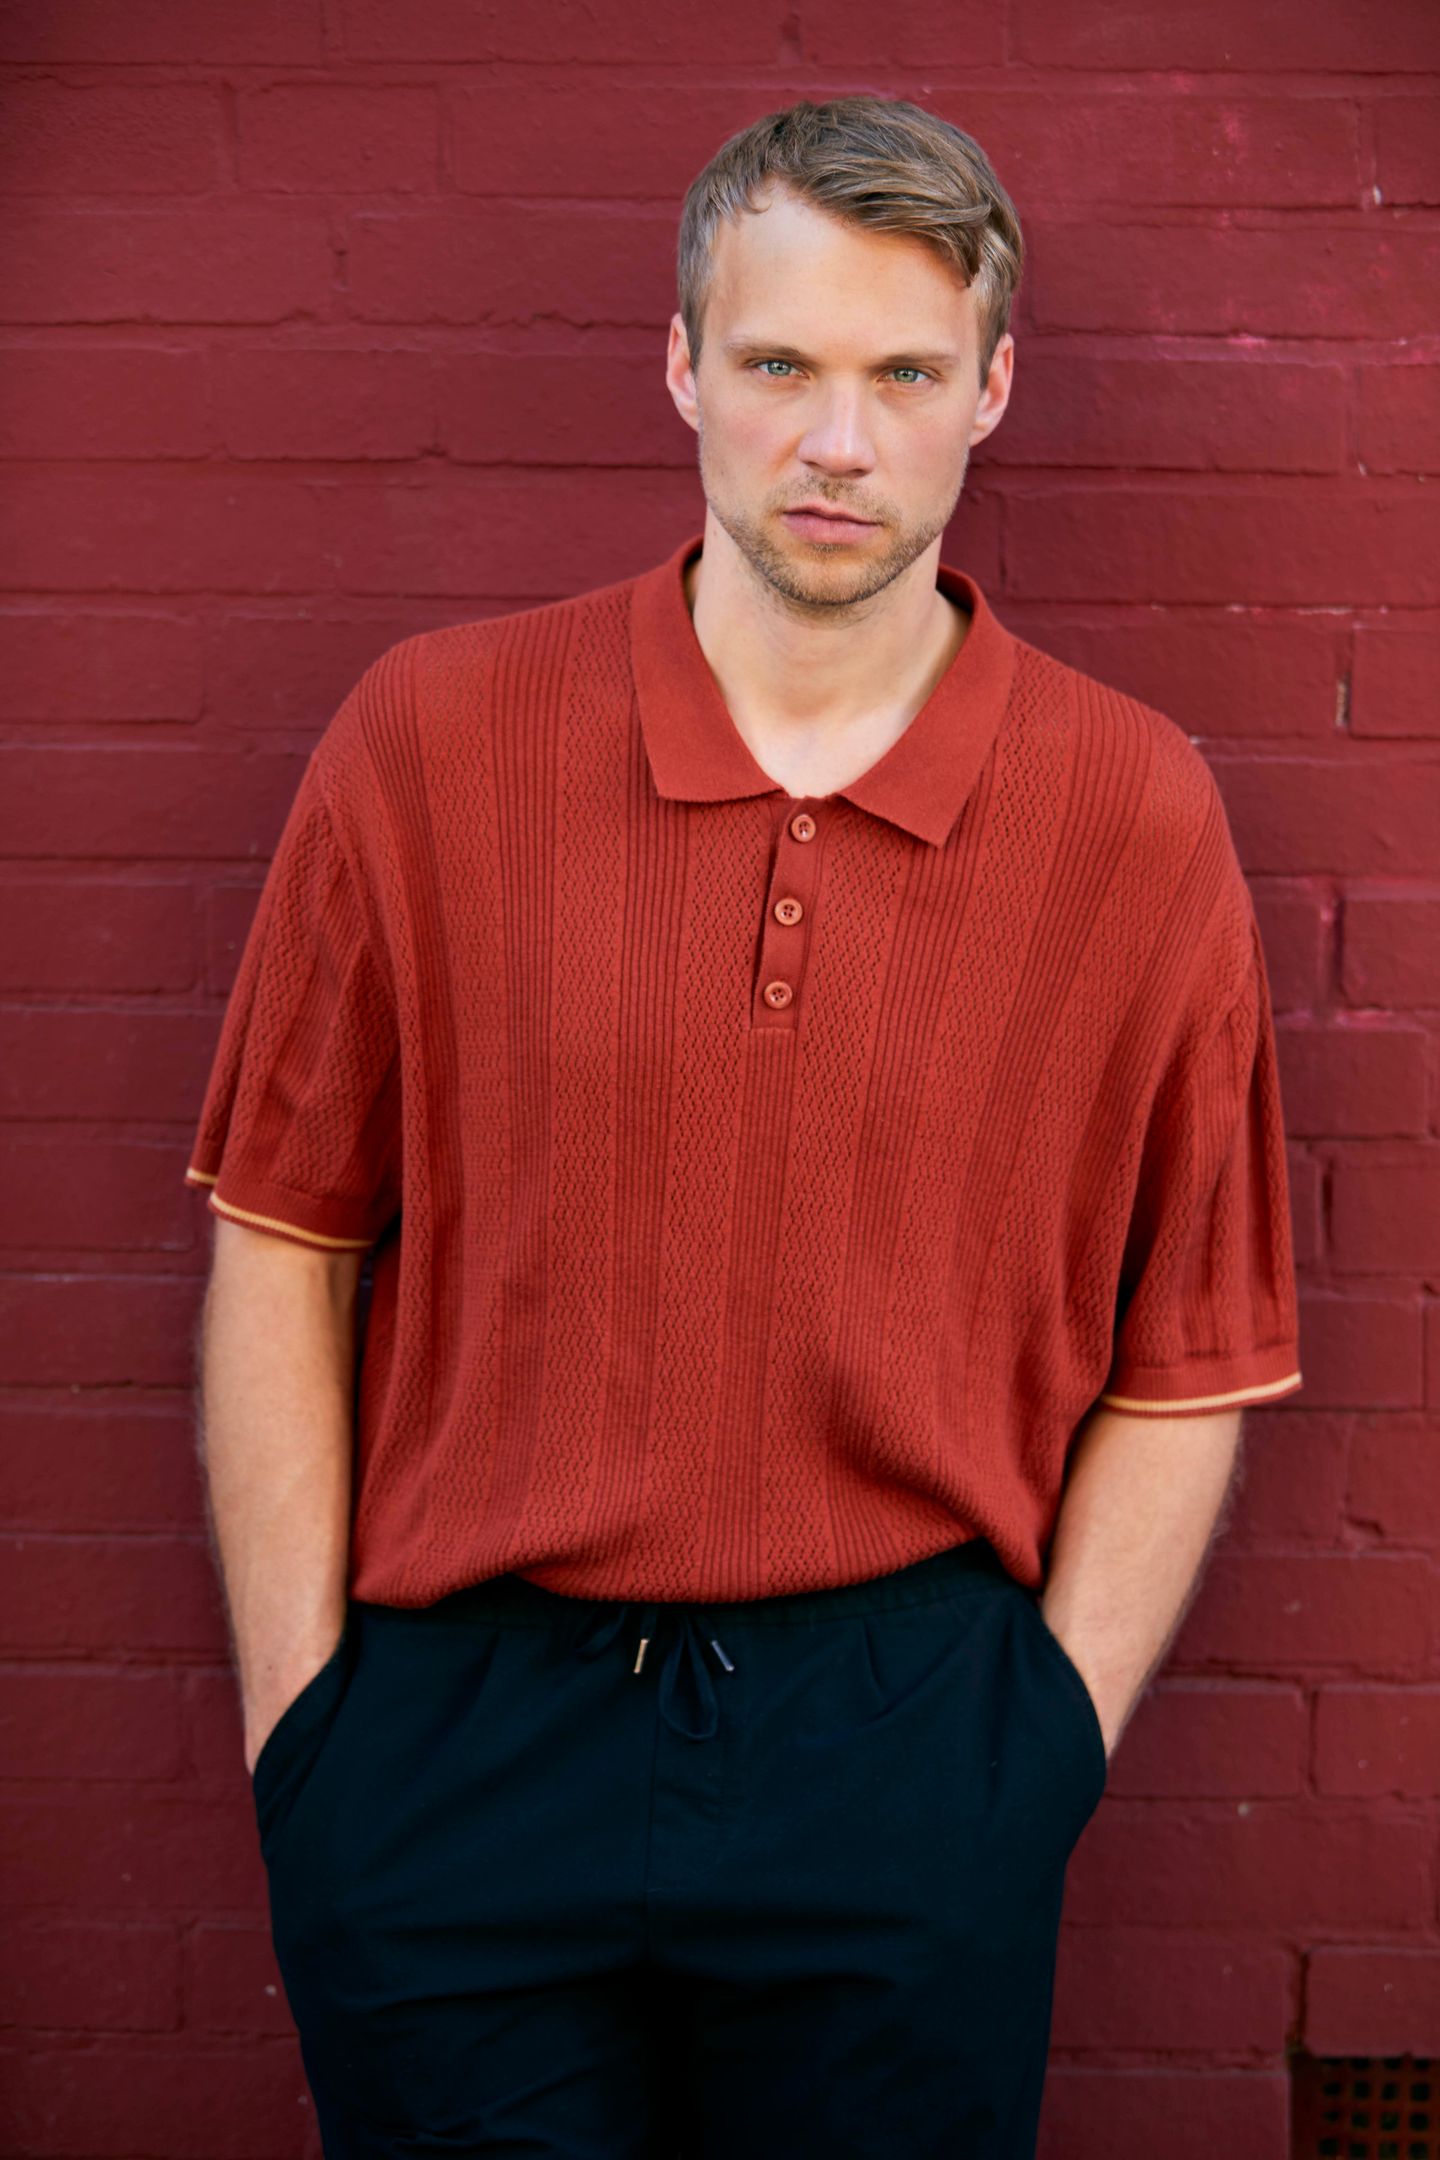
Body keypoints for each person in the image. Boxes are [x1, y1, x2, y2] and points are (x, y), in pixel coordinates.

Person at [184, 93, 1303, 2159]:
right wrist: (305, 1736)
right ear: (685, 366)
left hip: (908, 1735)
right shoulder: (431, 740)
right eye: (780, 364)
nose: (837, 442)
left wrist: (1037, 1756)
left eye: (905, 376)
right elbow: (286, 1238)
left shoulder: (1131, 813)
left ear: (993, 390)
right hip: (457, 1736)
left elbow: (1194, 1354)